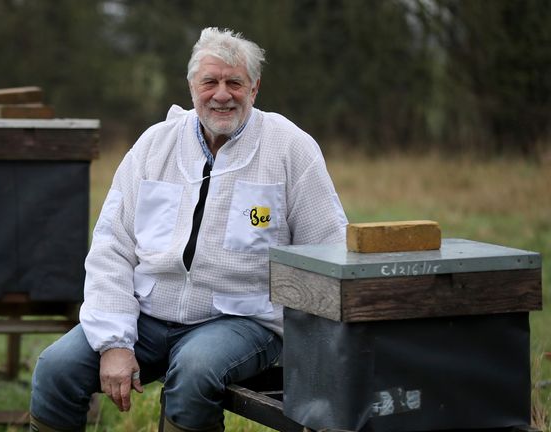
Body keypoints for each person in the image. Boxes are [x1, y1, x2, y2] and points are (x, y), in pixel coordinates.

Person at [30, 27, 347, 432]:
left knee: (194, 373)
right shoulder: (153, 146)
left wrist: (322, 351)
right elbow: (112, 245)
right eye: (210, 82)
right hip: (147, 314)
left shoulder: (290, 148)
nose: (222, 94)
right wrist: (114, 342)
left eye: (235, 82)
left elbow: (327, 248)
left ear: (255, 88)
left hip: (242, 319)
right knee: (55, 370)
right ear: (192, 86)